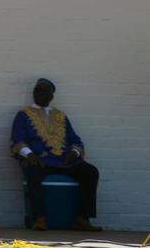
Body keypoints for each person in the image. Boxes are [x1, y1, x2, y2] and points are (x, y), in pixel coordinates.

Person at [11, 78, 100, 230]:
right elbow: (18, 139)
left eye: (43, 92)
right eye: (37, 91)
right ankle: (39, 218)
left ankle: (82, 218)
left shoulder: (60, 116)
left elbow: (75, 139)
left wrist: (74, 152)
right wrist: (29, 154)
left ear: (51, 96)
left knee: (90, 172)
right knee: (32, 172)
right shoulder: (23, 115)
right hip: (40, 160)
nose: (38, 94)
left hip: (65, 161)